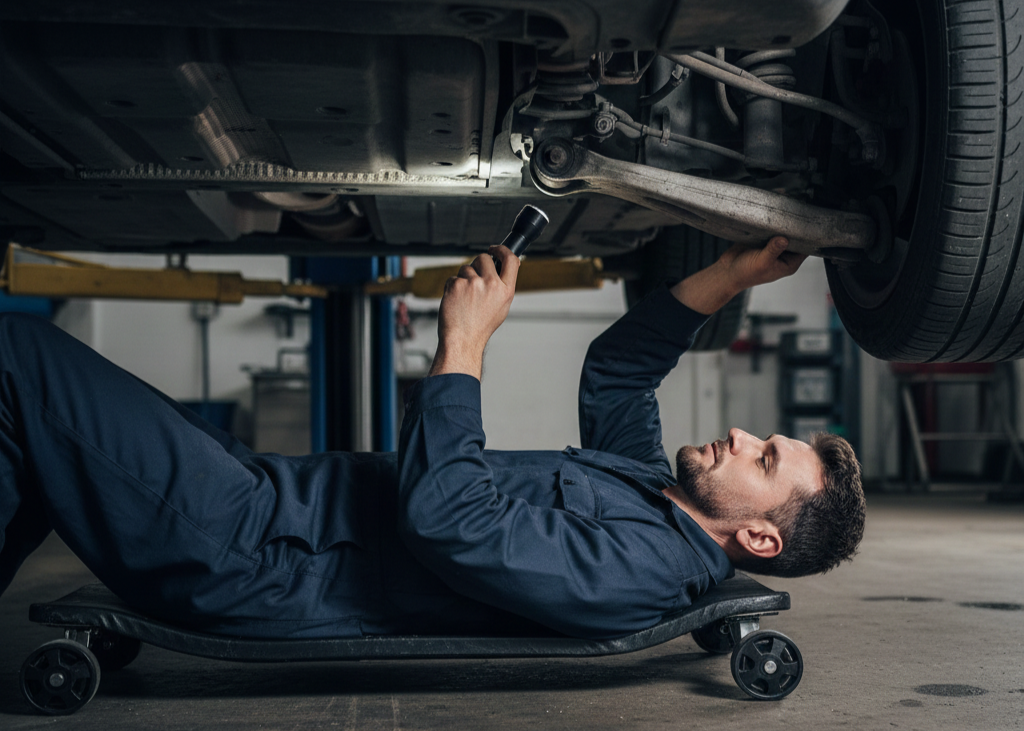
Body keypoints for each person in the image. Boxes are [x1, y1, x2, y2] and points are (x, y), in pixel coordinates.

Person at [0, 236, 864, 640]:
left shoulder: (644, 568)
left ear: (759, 535)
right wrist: (739, 272)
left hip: (258, 547)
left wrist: (464, 346)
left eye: (765, 457)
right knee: (29, 439)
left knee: (21, 356)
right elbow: (618, 372)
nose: (743, 433)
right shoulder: (653, 498)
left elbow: (452, 521)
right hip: (267, 493)